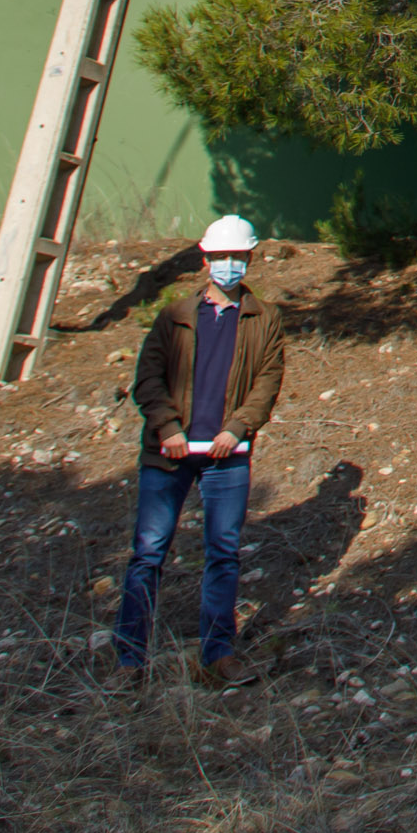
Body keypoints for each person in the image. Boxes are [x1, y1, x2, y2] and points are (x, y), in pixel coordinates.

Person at [114, 213, 287, 690]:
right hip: (168, 455)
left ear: (249, 258)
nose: (228, 265)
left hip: (227, 456)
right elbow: (147, 379)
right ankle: (130, 660)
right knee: (148, 553)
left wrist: (237, 429)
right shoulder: (174, 316)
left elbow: (268, 381)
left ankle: (217, 655)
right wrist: (167, 428)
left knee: (223, 553)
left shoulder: (264, 318)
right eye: (220, 257)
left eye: (237, 257)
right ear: (205, 258)